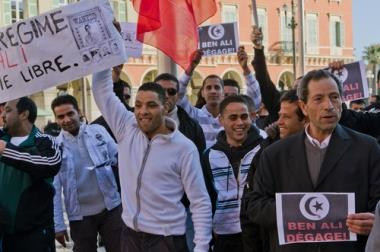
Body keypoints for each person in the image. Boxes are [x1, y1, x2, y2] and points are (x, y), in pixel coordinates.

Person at [246, 69, 380, 252]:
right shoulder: (274, 154)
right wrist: (299, 212)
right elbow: (254, 206)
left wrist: (375, 220)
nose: (329, 106)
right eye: (318, 99)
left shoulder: (368, 148)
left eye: (334, 97)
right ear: (303, 107)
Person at [92, 69, 212, 252]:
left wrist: (201, 247)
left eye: (151, 105)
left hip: (166, 241)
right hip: (129, 236)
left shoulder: (184, 148)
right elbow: (102, 90)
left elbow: (200, 202)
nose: (142, 112)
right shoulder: (126, 127)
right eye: (138, 105)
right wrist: (105, 55)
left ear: (165, 106)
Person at [52, 95, 122, 252]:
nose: (67, 119)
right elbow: (55, 189)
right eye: (61, 116)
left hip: (111, 209)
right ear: (56, 119)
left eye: (70, 113)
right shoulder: (55, 146)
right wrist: (58, 225)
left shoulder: (98, 131)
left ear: (79, 112)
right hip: (80, 216)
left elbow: (120, 159)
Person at [240, 89, 306, 252]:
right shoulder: (267, 153)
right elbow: (250, 209)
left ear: (305, 119)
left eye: (286, 117)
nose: (279, 122)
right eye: (279, 115)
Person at [202, 95, 263, 252]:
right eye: (233, 118)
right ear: (221, 120)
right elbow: (205, 198)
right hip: (223, 235)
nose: (239, 123)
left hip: (258, 232)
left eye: (244, 117)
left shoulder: (264, 149)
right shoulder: (209, 155)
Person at [0, 97, 61, 252]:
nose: (3, 115)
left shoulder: (45, 141)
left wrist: (6, 150)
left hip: (35, 236)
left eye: (8, 110)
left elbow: (50, 164)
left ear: (24, 114)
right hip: (4, 235)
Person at [154, 73, 207, 251]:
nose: (167, 95)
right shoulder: (136, 124)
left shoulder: (192, 126)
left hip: (185, 205)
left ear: (177, 95)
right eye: (161, 91)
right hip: (152, 208)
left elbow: (200, 168)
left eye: (171, 91)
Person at [178, 48, 262, 148]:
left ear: (223, 93)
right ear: (202, 93)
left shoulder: (233, 117)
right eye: (209, 88)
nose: (213, 91)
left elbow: (255, 98)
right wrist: (191, 68)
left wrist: (245, 68)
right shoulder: (194, 115)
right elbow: (178, 94)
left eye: (217, 87)